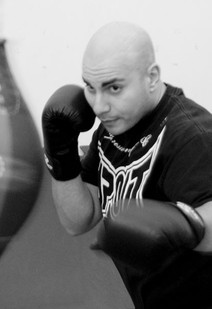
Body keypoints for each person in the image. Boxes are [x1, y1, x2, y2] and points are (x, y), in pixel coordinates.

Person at [42, 21, 212, 309]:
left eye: (114, 87)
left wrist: (178, 226)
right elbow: (78, 219)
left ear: (152, 77)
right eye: (90, 87)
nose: (98, 105)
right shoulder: (114, 126)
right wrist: (61, 157)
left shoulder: (191, 137)